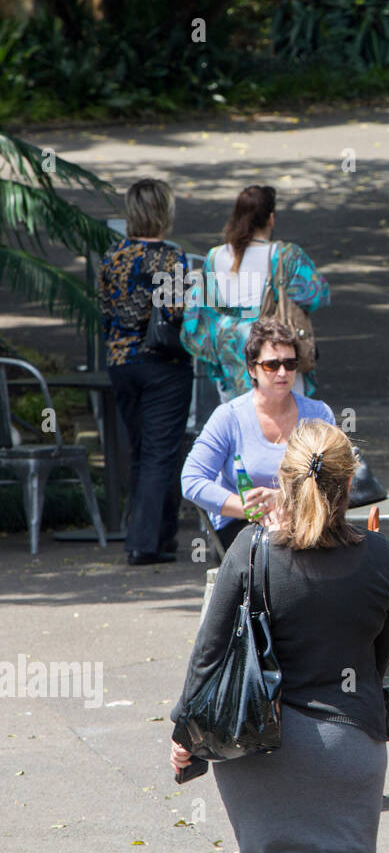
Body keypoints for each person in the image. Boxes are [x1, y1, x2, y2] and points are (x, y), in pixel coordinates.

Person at [169, 421, 389, 853]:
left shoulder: (251, 549)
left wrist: (185, 730)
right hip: (351, 745)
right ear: (351, 482)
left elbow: (210, 652)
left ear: (283, 480)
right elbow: (379, 658)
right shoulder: (381, 555)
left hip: (258, 743)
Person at [98, 178, 194, 564]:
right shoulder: (171, 257)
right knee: (161, 453)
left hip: (121, 363)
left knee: (143, 452)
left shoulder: (112, 256)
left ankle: (161, 533)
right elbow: (175, 313)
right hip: (162, 364)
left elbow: (105, 311)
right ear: (163, 212)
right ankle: (143, 544)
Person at [181, 319, 334, 552]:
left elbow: (336, 478)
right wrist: (249, 508)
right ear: (252, 369)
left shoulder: (318, 414)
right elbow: (192, 480)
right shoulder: (229, 417)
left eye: (290, 364)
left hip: (304, 521)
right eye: (272, 365)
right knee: (275, 554)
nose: (283, 372)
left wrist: (284, 501)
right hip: (243, 528)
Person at [181, 185, 329, 402]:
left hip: (230, 351)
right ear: (271, 219)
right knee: (285, 423)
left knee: (239, 422)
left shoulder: (215, 256)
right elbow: (316, 295)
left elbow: (200, 309)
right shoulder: (286, 256)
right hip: (275, 350)